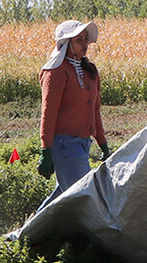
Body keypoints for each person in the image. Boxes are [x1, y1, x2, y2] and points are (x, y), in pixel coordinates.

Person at [36, 20, 110, 210]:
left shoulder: (90, 71)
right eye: (79, 40)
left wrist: (102, 142)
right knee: (85, 195)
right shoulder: (56, 71)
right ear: (66, 43)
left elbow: (94, 109)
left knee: (61, 196)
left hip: (83, 143)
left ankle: (24, 236)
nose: (85, 43)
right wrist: (46, 150)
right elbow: (48, 112)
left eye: (86, 39)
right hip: (64, 144)